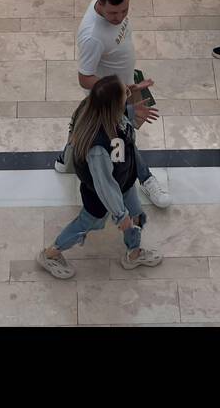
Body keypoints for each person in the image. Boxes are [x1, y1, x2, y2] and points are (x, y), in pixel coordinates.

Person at [54, 0, 171, 208]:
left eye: (125, 10)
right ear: (101, 4)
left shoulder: (108, 6)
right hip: (111, 97)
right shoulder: (92, 37)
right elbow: (84, 78)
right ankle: (146, 179)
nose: (119, 17)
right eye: (113, 13)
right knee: (124, 138)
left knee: (85, 126)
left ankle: (65, 158)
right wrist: (121, 90)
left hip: (126, 85)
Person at [38, 76, 163, 279]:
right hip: (101, 197)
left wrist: (130, 97)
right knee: (85, 225)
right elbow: (105, 185)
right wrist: (119, 215)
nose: (129, 99)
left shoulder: (106, 112)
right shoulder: (97, 147)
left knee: (138, 216)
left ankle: (134, 253)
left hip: (125, 181)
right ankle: (51, 254)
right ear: (114, 105)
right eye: (126, 96)